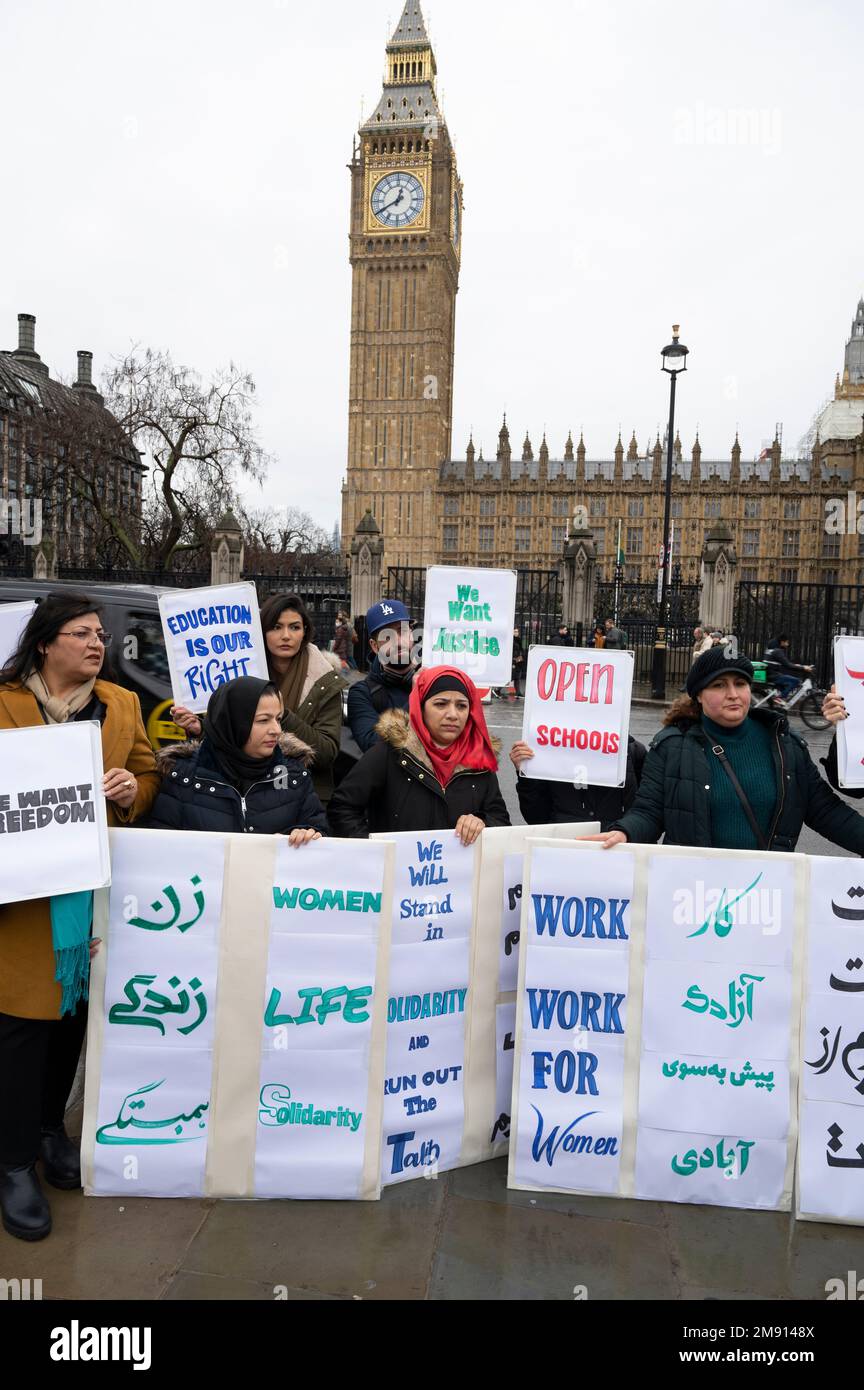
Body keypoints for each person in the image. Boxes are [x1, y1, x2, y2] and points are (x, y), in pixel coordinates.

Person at [0, 593, 160, 1241]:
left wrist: (130, 790)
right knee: (20, 1028)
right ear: (45, 642)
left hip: (90, 897)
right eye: (82, 633)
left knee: (70, 1019)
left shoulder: (120, 704)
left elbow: (148, 776)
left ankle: (48, 1132)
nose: (98, 644)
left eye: (101, 634)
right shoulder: (5, 702)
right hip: (22, 900)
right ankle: (12, 1163)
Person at [584, 648, 864, 855]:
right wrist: (624, 832)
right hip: (692, 898)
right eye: (719, 685)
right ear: (699, 696)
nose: (732, 693)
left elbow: (827, 812)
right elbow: (648, 812)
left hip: (766, 897)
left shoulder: (785, 744)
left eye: (740, 684)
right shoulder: (671, 746)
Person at [173, 593, 345, 807]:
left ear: (305, 632)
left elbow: (326, 753)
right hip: (242, 793)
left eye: (294, 627)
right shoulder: (240, 670)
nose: (286, 636)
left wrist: (283, 716)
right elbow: (229, 741)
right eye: (276, 627)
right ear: (261, 632)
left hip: (301, 798)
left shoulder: (325, 682)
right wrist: (200, 730)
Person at [329, 666, 511, 842]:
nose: (453, 714)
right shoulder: (390, 753)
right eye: (441, 704)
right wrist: (373, 850)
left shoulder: (480, 761)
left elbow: (500, 820)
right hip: (396, 871)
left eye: (462, 706)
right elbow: (343, 807)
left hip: (456, 872)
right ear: (420, 707)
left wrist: (483, 823)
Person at [145, 677, 328, 840]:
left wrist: (307, 834)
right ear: (232, 723)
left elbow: (320, 830)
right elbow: (162, 847)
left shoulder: (295, 776)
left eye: (278, 719)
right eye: (263, 720)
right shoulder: (183, 778)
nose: (276, 730)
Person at [510, 735, 647, 830]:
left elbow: (645, 816)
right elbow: (536, 818)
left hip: (616, 852)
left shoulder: (634, 752)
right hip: (562, 850)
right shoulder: (546, 752)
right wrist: (526, 775)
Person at [346, 600, 418, 754]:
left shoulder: (435, 676)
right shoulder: (361, 693)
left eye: (403, 631)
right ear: (374, 645)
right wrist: (418, 695)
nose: (398, 641)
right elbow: (373, 746)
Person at [763, 634, 814, 703]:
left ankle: (779, 703)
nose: (787, 644)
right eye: (786, 642)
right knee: (796, 681)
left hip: (769, 674)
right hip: (773, 676)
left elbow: (785, 663)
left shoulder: (771, 649)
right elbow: (788, 665)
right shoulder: (777, 651)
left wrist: (800, 666)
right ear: (782, 642)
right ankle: (779, 698)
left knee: (786, 685)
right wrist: (803, 668)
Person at [511, 627, 525, 697]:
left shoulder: (518, 640)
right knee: (511, 676)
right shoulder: (511, 640)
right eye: (514, 631)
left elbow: (520, 649)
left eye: (517, 632)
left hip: (519, 660)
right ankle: (497, 689)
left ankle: (518, 692)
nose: (516, 633)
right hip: (513, 660)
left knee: (517, 677)